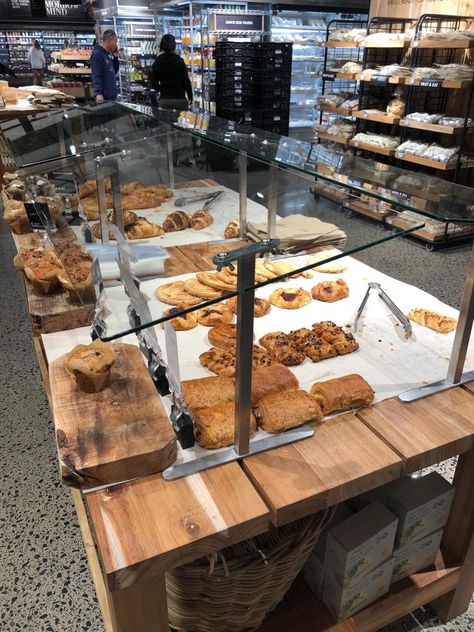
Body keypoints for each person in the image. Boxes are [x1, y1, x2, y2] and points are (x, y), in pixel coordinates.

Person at [150, 34, 192, 110]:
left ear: (162, 46)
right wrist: (190, 97)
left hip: (165, 99)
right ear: (174, 45)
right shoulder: (179, 60)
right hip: (180, 99)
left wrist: (162, 88)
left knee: (165, 121)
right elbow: (186, 81)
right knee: (181, 121)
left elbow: (154, 83)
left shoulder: (158, 61)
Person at [90, 29, 120, 103]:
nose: (116, 45)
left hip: (111, 96)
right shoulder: (98, 55)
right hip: (104, 97)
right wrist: (98, 93)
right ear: (109, 40)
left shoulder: (107, 55)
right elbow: (96, 75)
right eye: (115, 42)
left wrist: (116, 58)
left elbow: (113, 72)